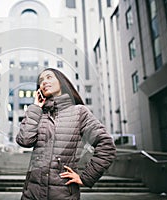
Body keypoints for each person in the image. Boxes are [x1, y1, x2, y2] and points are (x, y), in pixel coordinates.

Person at [16, 68, 116, 200]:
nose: (44, 82)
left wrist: (86, 177)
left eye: (49, 77)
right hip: (32, 194)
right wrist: (35, 108)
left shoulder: (79, 112)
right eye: (41, 80)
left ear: (61, 81)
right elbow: (25, 141)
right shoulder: (38, 114)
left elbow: (106, 145)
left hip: (63, 194)